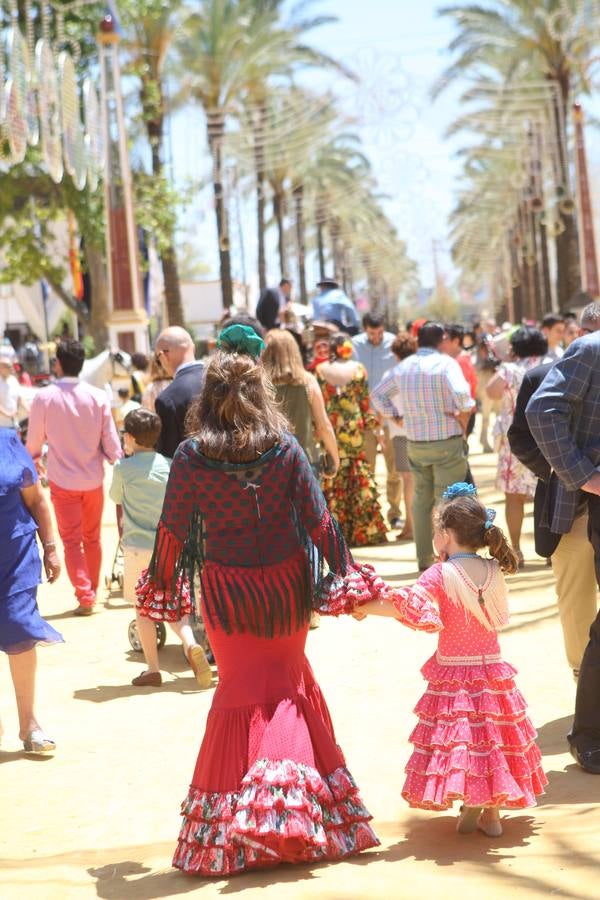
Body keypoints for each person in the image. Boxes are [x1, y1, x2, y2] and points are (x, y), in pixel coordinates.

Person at [133, 336, 409, 875]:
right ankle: (301, 820)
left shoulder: (191, 455)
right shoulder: (284, 448)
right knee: (286, 684)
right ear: (261, 395)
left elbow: (171, 530)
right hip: (286, 589)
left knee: (237, 692)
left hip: (225, 595)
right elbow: (318, 520)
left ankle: (234, 831)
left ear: (206, 400)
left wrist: (163, 584)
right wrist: (348, 574)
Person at [356, 483, 547, 835]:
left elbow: (404, 606)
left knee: (462, 738)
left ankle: (472, 801)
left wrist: (360, 605)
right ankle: (492, 812)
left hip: (453, 676)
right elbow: (499, 618)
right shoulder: (493, 570)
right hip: (491, 670)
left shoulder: (440, 574)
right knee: (491, 737)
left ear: (445, 535)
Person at [507, 303, 600, 678]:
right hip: (571, 509)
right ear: (580, 335)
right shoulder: (539, 376)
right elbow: (522, 437)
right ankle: (584, 679)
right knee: (575, 596)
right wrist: (571, 473)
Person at [526, 322, 600, 773]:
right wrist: (580, 474)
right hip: (584, 508)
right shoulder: (590, 350)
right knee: (582, 608)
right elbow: (537, 414)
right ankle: (589, 725)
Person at [109, 408, 211, 688]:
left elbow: (115, 497)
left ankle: (153, 669)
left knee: (142, 608)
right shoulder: (168, 464)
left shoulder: (123, 468)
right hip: (169, 545)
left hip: (136, 548)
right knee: (173, 602)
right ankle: (191, 644)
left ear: (129, 438)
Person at [26, 339, 122, 615]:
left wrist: (33, 461)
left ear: (57, 363)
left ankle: (85, 595)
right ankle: (90, 589)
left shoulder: (44, 397)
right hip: (93, 479)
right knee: (92, 538)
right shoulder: (98, 396)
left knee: (71, 541)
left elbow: (33, 445)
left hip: (61, 481)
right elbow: (112, 444)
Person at [372, 323, 474, 571]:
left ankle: (423, 558)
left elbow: (377, 395)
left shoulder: (403, 368)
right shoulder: (446, 364)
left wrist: (395, 416)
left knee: (421, 500)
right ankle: (448, 556)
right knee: (447, 500)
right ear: (443, 339)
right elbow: (464, 398)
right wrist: (460, 414)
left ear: (418, 340)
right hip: (446, 441)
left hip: (415, 442)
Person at [0, 429, 63, 752]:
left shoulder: (8, 441)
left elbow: (36, 499)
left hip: (15, 557)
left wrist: (50, 548)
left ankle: (29, 724)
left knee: (19, 627)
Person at [316, 334, 388, 546]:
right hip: (355, 430)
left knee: (333, 472)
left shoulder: (320, 371)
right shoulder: (358, 369)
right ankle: (364, 531)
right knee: (357, 473)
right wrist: (377, 431)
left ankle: (335, 532)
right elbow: (365, 406)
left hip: (331, 429)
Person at [486, 327, 547, 567]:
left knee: (514, 497)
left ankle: (518, 550)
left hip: (516, 440)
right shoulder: (552, 363)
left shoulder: (510, 370)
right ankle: (551, 550)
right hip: (547, 437)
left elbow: (490, 391)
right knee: (549, 492)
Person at [262, 329, 339, 479]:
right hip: (305, 462)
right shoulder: (307, 381)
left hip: (268, 466)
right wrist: (334, 459)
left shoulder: (259, 385)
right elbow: (323, 425)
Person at [352, 313, 402, 527]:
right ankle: (372, 516)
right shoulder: (354, 345)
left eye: (380, 332)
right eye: (372, 333)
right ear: (365, 329)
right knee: (367, 467)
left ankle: (395, 513)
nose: (377, 337)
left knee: (395, 467)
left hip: (390, 416)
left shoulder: (393, 344)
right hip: (365, 417)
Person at [371, 331, 417, 540]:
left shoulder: (394, 373)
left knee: (408, 479)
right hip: (422, 429)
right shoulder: (419, 370)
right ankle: (419, 524)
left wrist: (393, 414)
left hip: (400, 433)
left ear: (395, 353)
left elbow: (376, 395)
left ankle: (410, 525)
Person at [154, 327, 205, 459]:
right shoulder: (224, 378)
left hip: (195, 477)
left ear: (164, 355)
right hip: (235, 475)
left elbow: (169, 458)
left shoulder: (167, 399)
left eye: (157, 359)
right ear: (192, 348)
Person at [0, 353, 20, 429]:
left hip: (14, 423)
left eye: (11, 366)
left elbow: (19, 397)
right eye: (8, 366)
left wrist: (29, 410)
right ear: (1, 368)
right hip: (2, 426)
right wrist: (8, 414)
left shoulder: (13, 380)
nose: (11, 368)